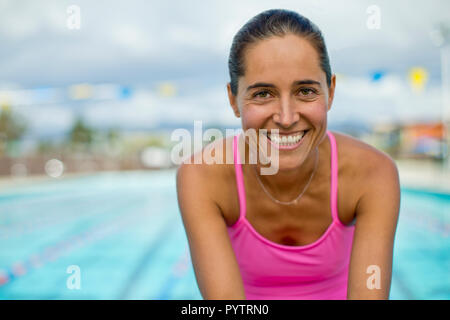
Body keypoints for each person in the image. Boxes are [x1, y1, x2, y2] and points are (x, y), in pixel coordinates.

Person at [176, 9, 400, 300]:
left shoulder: (373, 173)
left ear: (330, 92)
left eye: (305, 91)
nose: (286, 117)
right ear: (233, 100)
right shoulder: (202, 176)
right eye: (263, 94)